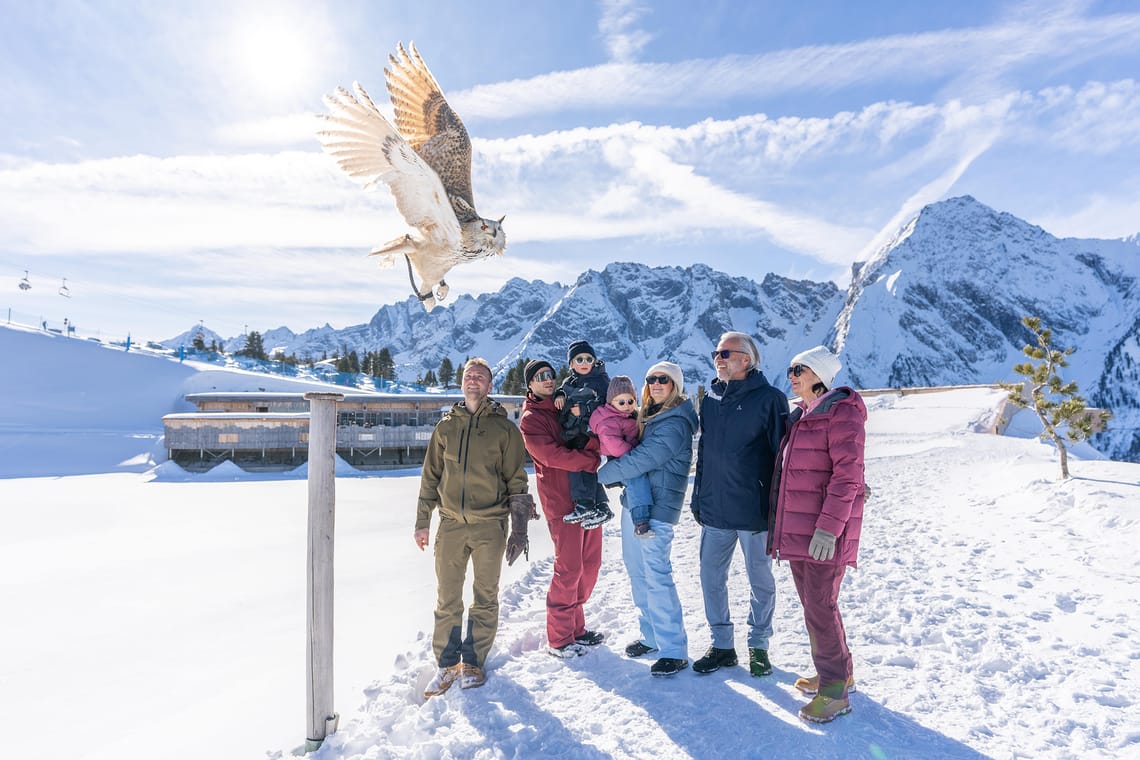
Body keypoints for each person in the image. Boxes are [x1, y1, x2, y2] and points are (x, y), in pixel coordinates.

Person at [414, 358, 535, 698]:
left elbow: (517, 482)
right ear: (462, 382)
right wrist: (423, 522)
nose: (474, 382)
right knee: (447, 599)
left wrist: (519, 529)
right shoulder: (445, 427)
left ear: (490, 385)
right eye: (469, 376)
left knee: (485, 597)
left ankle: (473, 662)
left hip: (489, 528)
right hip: (450, 526)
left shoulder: (504, 430)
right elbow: (430, 478)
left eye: (480, 377)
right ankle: (448, 664)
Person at [769, 345, 866, 724]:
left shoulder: (841, 413)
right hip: (799, 531)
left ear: (820, 375)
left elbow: (847, 475)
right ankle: (839, 674)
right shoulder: (804, 414)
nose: (791, 374)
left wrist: (829, 528)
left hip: (822, 532)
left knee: (821, 608)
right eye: (791, 368)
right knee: (816, 607)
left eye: (800, 368)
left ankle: (834, 692)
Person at [689, 331, 788, 679]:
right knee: (710, 577)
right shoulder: (711, 400)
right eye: (715, 353)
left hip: (752, 511)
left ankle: (758, 645)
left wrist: (779, 508)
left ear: (746, 359)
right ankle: (722, 646)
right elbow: (704, 455)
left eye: (725, 353)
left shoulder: (771, 400)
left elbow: (782, 458)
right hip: (715, 509)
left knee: (760, 580)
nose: (718, 358)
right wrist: (698, 496)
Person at [598, 361, 697, 677]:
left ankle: (674, 649)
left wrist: (599, 475)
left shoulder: (675, 423)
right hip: (635, 504)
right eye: (651, 378)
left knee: (656, 576)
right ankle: (652, 636)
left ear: (675, 386)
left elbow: (641, 459)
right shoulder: (651, 418)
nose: (656, 383)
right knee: (638, 572)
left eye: (663, 379)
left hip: (657, 509)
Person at [519, 359, 609, 658]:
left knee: (590, 565)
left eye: (550, 375)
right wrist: (590, 462)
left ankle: (576, 628)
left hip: (587, 498)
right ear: (530, 384)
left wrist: (594, 447)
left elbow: (588, 433)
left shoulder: (565, 403)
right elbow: (551, 455)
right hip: (561, 501)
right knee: (569, 569)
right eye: (539, 376)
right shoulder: (531, 419)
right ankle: (559, 638)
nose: (547, 379)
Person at [554, 340, 614, 529]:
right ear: (571, 364)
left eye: (588, 358)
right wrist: (559, 395)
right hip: (575, 430)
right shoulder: (569, 382)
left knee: (578, 463)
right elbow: (562, 390)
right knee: (585, 466)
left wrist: (585, 409)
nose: (584, 362)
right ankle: (602, 506)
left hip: (591, 431)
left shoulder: (601, 381)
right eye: (579, 359)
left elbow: (610, 404)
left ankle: (585, 503)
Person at [589, 376, 656, 536]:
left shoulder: (630, 416)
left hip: (630, 456)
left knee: (640, 482)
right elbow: (614, 445)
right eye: (621, 402)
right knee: (636, 481)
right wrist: (635, 455)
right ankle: (640, 522)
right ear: (611, 403)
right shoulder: (608, 421)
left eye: (630, 401)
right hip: (621, 457)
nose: (627, 406)